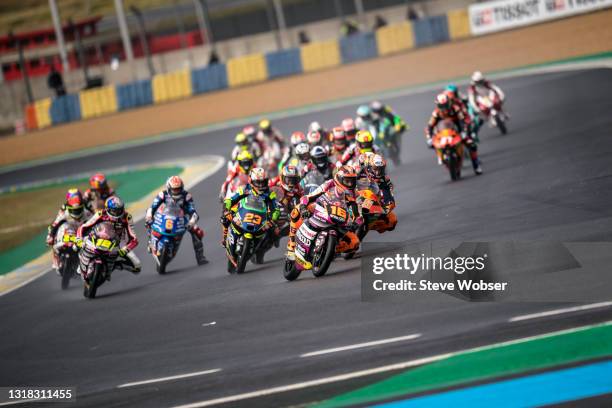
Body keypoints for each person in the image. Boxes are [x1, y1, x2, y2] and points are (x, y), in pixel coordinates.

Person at [286, 165, 362, 260]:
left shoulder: (354, 194)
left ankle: (331, 249)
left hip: (339, 220)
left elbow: (357, 213)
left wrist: (356, 223)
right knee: (295, 211)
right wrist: (303, 206)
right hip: (321, 210)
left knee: (354, 243)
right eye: (347, 181)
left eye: (352, 181)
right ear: (339, 179)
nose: (350, 184)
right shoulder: (329, 184)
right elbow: (310, 196)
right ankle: (291, 244)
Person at [146, 176, 208, 265]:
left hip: (182, 217)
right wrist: (149, 216)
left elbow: (192, 211)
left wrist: (191, 222)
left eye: (178, 189)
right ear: (169, 188)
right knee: (148, 222)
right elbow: (152, 207)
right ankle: (150, 242)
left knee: (197, 231)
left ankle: (200, 257)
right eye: (174, 189)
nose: (176, 191)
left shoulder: (186, 196)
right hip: (164, 215)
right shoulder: (162, 195)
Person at [76, 196, 141, 277]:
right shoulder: (100, 214)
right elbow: (84, 227)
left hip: (119, 241)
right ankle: (82, 263)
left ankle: (114, 265)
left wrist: (126, 249)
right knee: (79, 245)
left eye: (120, 210)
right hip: (99, 236)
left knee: (137, 266)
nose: (118, 213)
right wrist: (79, 239)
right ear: (108, 209)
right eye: (115, 211)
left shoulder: (127, 217)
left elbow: (134, 238)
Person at [220, 167, 281, 246]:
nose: (261, 185)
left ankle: (266, 245)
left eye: (263, 182)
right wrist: (226, 210)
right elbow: (230, 200)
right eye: (258, 183)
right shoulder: (244, 189)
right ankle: (225, 238)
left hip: (262, 215)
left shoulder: (270, 194)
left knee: (276, 231)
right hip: (243, 211)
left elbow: (276, 208)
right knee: (224, 219)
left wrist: (274, 218)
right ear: (251, 181)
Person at [425, 93, 482, 175]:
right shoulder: (436, 113)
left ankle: (476, 166)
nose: (444, 108)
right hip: (442, 134)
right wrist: (429, 138)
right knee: (432, 144)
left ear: (449, 102)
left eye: (446, 105)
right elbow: (430, 126)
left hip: (456, 132)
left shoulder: (456, 109)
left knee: (472, 145)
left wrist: (464, 131)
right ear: (438, 105)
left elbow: (463, 121)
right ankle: (440, 158)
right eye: (442, 106)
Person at [46, 189, 90, 273]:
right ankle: (56, 259)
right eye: (74, 210)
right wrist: (50, 236)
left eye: (78, 209)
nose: (76, 212)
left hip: (81, 232)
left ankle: (83, 264)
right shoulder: (64, 212)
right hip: (68, 231)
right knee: (54, 237)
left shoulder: (87, 212)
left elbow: (94, 222)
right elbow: (55, 224)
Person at [364, 154, 397, 232]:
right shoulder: (360, 174)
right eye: (375, 169)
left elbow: (389, 196)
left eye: (380, 169)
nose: (378, 172)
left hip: (374, 205)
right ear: (368, 168)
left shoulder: (385, 180)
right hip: (357, 202)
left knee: (392, 221)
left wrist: (387, 205)